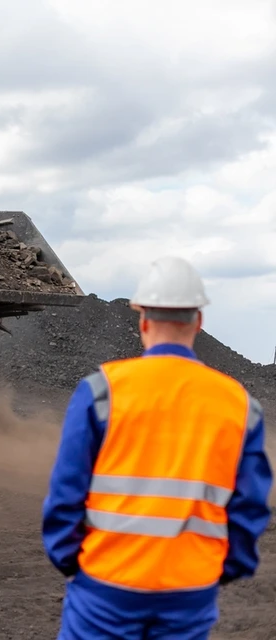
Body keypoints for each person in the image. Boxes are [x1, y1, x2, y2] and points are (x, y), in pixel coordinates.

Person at [42, 255, 272, 639]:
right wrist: (221, 568)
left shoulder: (102, 392)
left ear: (143, 321)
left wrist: (72, 562)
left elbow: (66, 492)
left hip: (106, 585)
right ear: (198, 322)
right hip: (190, 589)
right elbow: (250, 505)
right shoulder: (239, 403)